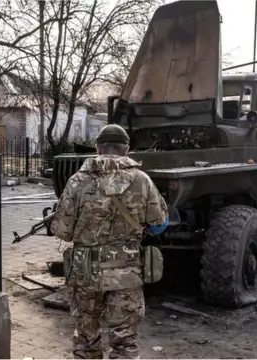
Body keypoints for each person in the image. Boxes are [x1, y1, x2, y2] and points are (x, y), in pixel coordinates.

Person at [50, 124, 169, 359]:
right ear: (126, 149)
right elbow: (159, 224)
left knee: (86, 340)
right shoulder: (142, 180)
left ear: (97, 148)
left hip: (85, 272)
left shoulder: (77, 181)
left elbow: (61, 231)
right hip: (126, 273)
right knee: (124, 342)